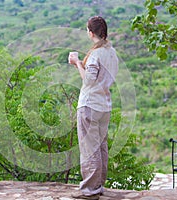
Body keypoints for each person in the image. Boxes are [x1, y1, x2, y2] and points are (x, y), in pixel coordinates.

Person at [68, 16, 119, 200]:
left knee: (89, 148)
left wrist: (76, 63)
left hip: (90, 104)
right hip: (105, 106)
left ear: (91, 32)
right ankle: (98, 184)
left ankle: (90, 190)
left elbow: (89, 80)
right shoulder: (111, 51)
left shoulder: (96, 54)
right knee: (101, 146)